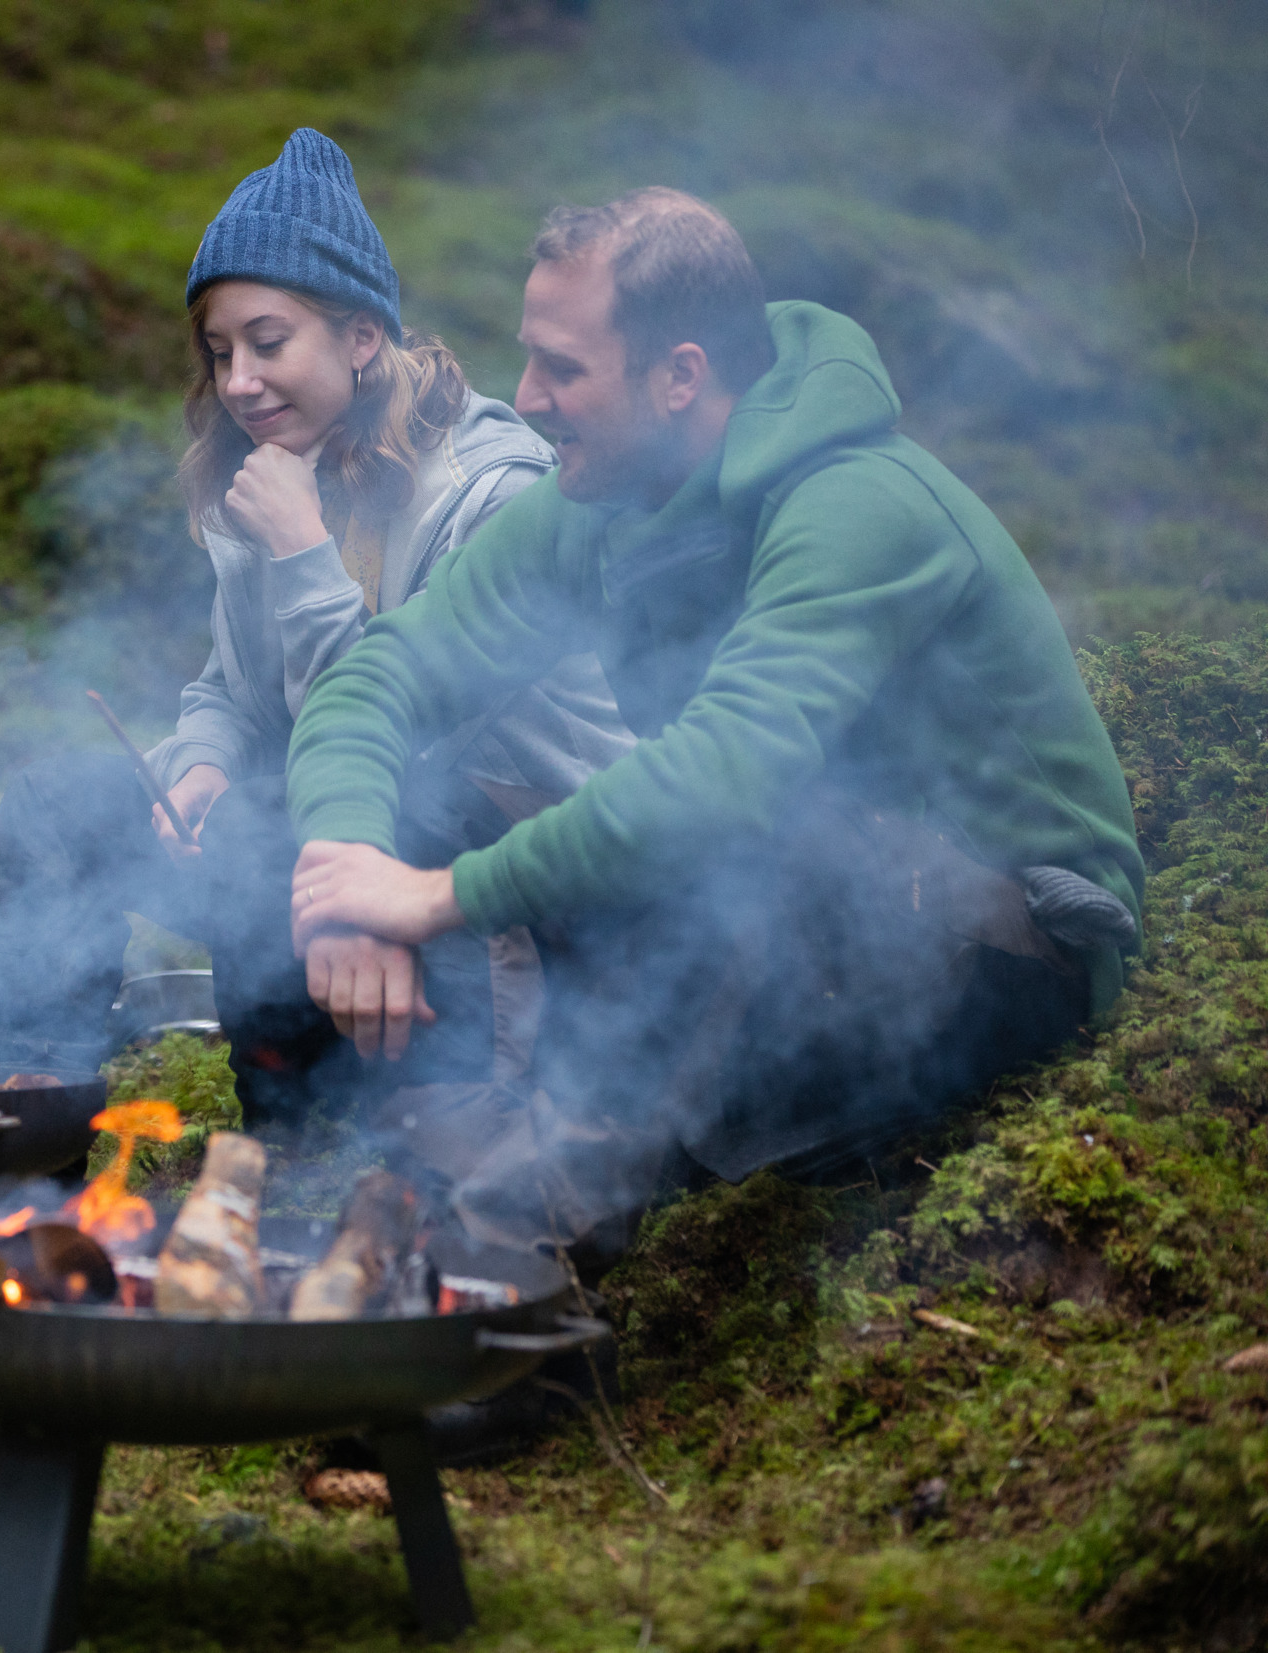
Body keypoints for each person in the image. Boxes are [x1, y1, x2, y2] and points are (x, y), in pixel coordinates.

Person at [282, 188, 1144, 1266]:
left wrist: (437, 899)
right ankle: (453, 1167)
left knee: (728, 842)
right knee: (427, 798)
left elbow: (725, 778)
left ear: (679, 375)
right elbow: (384, 672)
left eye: (561, 368)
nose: (525, 396)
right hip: (790, 907)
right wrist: (350, 865)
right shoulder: (598, 506)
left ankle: (516, 1289)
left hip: (1009, 934)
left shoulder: (854, 505)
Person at [0, 129, 631, 1121]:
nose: (237, 383)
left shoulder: (496, 493)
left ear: (361, 337)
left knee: (342, 823)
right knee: (62, 808)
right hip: (338, 845)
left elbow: (395, 753)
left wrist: (303, 554)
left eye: (267, 344)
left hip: (511, 888)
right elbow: (228, 687)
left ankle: (360, 1134)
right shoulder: (274, 467)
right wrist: (201, 765)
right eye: (220, 353)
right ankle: (9, 1140)